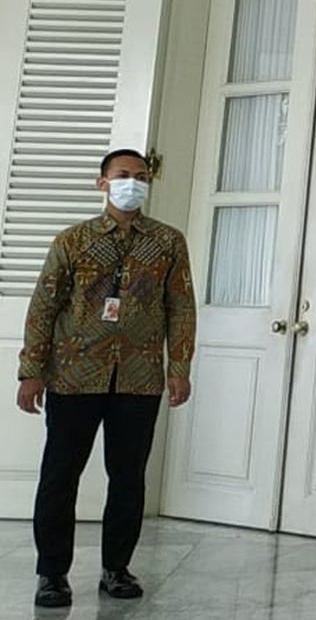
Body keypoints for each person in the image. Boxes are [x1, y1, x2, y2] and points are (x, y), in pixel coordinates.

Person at [15, 149, 196, 608]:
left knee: (129, 476)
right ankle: (52, 573)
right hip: (74, 376)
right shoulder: (72, 241)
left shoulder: (169, 242)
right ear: (102, 183)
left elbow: (181, 308)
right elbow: (43, 308)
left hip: (138, 378)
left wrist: (179, 367)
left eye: (139, 176)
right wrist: (31, 371)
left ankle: (116, 568)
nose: (131, 183)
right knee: (60, 474)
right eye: (122, 175)